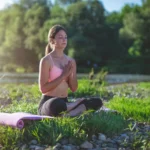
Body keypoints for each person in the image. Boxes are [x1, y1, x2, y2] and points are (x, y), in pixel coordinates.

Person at [38, 24, 103, 117]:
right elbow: (43, 89)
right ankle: (75, 107)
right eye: (60, 37)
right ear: (52, 40)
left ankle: (68, 114)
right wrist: (63, 76)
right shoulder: (46, 60)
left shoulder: (71, 61)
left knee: (97, 101)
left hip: (65, 102)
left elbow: (74, 88)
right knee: (56, 104)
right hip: (49, 102)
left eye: (65, 37)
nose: (64, 40)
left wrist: (71, 74)